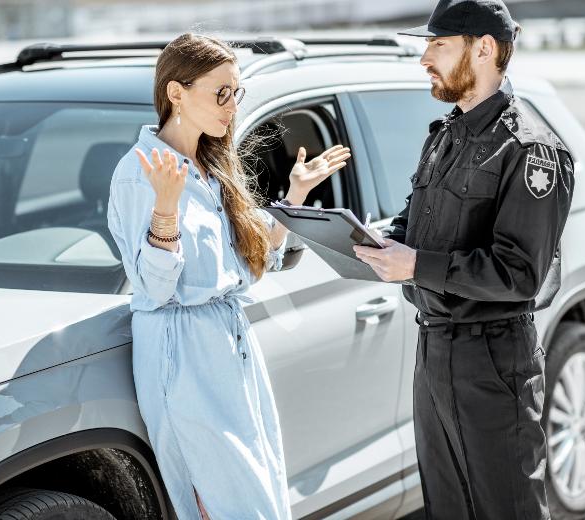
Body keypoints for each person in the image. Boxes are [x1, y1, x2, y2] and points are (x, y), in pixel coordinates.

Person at [107, 33, 350, 520]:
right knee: (227, 507)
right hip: (184, 353)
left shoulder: (212, 166)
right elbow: (154, 289)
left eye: (234, 93)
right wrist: (166, 212)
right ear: (176, 93)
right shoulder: (141, 173)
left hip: (231, 344)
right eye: (220, 93)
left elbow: (253, 260)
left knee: (261, 498)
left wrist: (295, 196)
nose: (230, 106)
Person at [352, 1, 575, 519]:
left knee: (507, 510)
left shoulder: (531, 149)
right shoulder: (446, 136)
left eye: (438, 46)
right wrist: (372, 240)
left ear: (484, 49)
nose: (424, 58)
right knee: (447, 508)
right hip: (433, 351)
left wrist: (416, 266)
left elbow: (520, 275)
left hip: (493, 362)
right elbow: (417, 225)